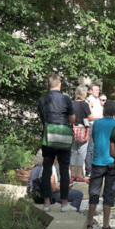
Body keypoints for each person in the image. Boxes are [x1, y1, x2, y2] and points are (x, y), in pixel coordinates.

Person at [37, 74, 74, 209]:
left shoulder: (42, 100)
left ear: (48, 85)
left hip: (48, 137)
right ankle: (64, 203)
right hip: (63, 139)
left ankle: (47, 202)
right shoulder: (66, 99)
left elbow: (42, 118)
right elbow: (73, 119)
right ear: (60, 85)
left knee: (47, 169)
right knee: (64, 170)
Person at [87, 100, 115, 229]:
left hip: (98, 162)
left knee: (94, 192)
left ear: (104, 110)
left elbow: (93, 139)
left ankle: (89, 223)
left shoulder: (97, 123)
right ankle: (105, 225)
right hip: (112, 163)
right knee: (109, 194)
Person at [70, 86, 91, 182]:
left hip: (73, 129)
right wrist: (99, 117)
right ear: (84, 93)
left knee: (73, 152)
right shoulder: (85, 104)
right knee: (82, 153)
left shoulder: (72, 103)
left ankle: (72, 174)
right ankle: (79, 174)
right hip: (83, 130)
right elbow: (90, 117)